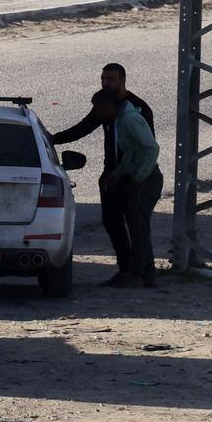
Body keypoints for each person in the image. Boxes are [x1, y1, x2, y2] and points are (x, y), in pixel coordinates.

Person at [52, 63, 156, 287]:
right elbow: (83, 127)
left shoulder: (135, 109)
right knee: (112, 222)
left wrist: (137, 178)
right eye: (103, 79)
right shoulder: (104, 106)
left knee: (138, 225)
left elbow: (147, 149)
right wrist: (53, 139)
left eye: (110, 79)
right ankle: (126, 270)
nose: (106, 83)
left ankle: (145, 274)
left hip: (136, 176)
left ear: (122, 80)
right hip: (114, 174)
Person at [92, 92, 162, 288]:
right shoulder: (119, 121)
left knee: (138, 227)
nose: (98, 113)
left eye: (100, 108)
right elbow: (131, 153)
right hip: (134, 177)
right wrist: (115, 175)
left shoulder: (130, 119)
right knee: (135, 226)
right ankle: (141, 273)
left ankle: (140, 274)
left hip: (147, 179)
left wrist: (139, 177)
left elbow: (151, 149)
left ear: (109, 106)